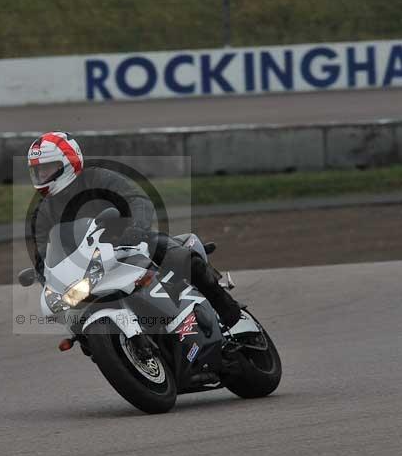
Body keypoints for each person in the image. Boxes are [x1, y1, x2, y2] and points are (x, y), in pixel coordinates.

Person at [25, 131, 241, 331]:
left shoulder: (98, 178)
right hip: (87, 269)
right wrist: (47, 279)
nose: (42, 175)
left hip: (129, 243)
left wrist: (137, 227)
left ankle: (228, 310)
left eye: (47, 168)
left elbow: (136, 198)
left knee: (180, 257)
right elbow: (42, 252)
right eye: (38, 170)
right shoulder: (43, 212)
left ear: (68, 162)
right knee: (75, 322)